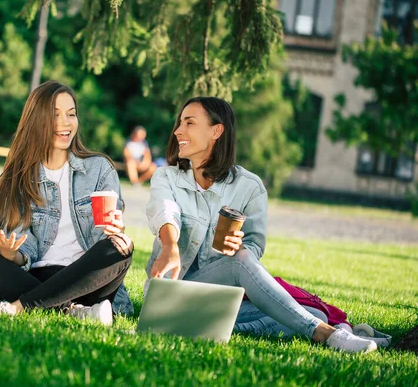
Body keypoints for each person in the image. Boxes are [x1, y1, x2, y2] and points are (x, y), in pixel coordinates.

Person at [144, 96, 378, 353]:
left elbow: (253, 248)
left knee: (307, 311)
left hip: (216, 298)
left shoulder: (249, 187)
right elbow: (165, 210)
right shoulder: (166, 177)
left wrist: (236, 249)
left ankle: (207, 326)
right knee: (295, 311)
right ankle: (325, 333)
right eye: (180, 122)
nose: (178, 130)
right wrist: (170, 245)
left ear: (216, 130)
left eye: (189, 123)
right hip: (170, 296)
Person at [0, 80, 134, 325]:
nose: (65, 123)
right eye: (55, 115)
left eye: (71, 114)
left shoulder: (99, 169)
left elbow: (109, 240)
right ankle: (74, 310)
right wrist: (12, 255)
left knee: (122, 244)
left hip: (86, 279)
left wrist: (116, 229)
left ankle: (13, 308)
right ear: (36, 120)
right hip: (35, 276)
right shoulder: (19, 178)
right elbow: (26, 252)